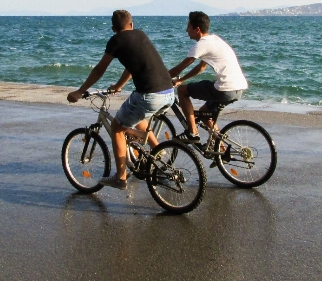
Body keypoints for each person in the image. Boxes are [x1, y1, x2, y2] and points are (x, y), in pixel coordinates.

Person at [67, 10, 175, 190]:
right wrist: (119, 85)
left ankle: (121, 177)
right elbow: (133, 66)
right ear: (131, 25)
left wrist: (80, 91)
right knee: (138, 115)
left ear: (113, 28)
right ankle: (157, 149)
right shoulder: (140, 34)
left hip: (150, 96)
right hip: (169, 93)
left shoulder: (115, 41)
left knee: (117, 127)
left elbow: (99, 70)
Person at [168, 11, 248, 166]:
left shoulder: (201, 45)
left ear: (197, 29)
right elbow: (201, 67)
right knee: (206, 115)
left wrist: (162, 78)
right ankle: (222, 150)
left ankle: (192, 132)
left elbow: (179, 68)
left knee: (182, 91)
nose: (186, 30)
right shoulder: (214, 40)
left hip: (225, 89)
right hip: (237, 88)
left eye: (188, 27)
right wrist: (181, 80)